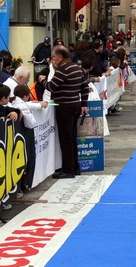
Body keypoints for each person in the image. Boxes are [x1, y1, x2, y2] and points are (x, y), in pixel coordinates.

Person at [38, 45, 89, 179]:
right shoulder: (77, 68)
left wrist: (42, 80)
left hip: (64, 107)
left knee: (66, 139)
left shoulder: (62, 70)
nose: (52, 59)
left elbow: (51, 87)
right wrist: (84, 104)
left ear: (60, 57)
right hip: (75, 106)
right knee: (72, 138)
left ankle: (68, 169)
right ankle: (75, 167)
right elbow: (84, 87)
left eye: (54, 56)